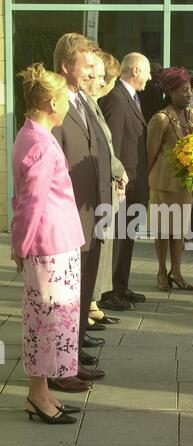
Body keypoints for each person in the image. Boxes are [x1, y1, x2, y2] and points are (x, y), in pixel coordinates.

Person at [11, 64, 85, 423]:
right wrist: (21, 246)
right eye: (65, 99)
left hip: (53, 244)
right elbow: (30, 202)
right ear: (51, 102)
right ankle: (38, 397)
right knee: (48, 324)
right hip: (49, 248)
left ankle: (40, 394)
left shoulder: (33, 135)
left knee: (49, 323)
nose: (69, 104)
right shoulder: (39, 142)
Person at [51, 33, 106, 391]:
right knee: (66, 295)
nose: (91, 73)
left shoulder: (84, 100)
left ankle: (74, 351)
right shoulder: (55, 105)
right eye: (86, 67)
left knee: (84, 287)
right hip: (70, 216)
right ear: (66, 66)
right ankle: (60, 366)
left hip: (93, 211)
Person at [99, 52, 151, 311]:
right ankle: (109, 291)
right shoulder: (117, 99)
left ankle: (121, 285)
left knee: (127, 236)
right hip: (124, 183)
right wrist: (117, 179)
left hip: (135, 182)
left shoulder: (131, 97)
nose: (150, 78)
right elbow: (112, 145)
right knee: (118, 237)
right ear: (136, 71)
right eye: (147, 72)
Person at [81, 51, 128, 324]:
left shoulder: (94, 103)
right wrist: (119, 170)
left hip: (107, 185)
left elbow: (106, 146)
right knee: (97, 247)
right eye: (96, 75)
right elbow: (101, 149)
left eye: (100, 76)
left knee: (104, 247)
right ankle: (89, 305)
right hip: (97, 189)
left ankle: (92, 303)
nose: (99, 81)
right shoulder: (88, 104)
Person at [146, 67, 193, 291]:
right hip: (162, 184)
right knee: (163, 229)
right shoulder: (160, 119)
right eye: (183, 91)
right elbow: (150, 153)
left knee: (180, 230)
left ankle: (176, 271)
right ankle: (161, 270)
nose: (188, 95)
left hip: (185, 184)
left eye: (189, 90)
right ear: (170, 92)